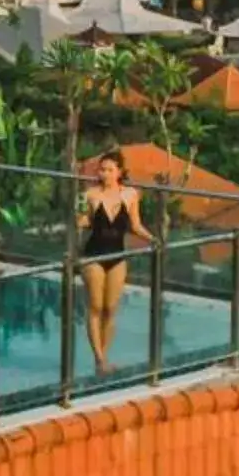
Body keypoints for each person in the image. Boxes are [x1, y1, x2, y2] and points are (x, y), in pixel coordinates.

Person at [79, 148, 147, 374]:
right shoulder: (90, 195)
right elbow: (84, 221)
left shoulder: (130, 195)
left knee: (110, 308)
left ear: (119, 172)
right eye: (102, 169)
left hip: (118, 256)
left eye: (109, 170)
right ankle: (98, 358)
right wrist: (78, 216)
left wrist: (154, 239)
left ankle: (103, 358)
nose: (104, 174)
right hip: (94, 255)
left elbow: (135, 226)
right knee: (96, 306)